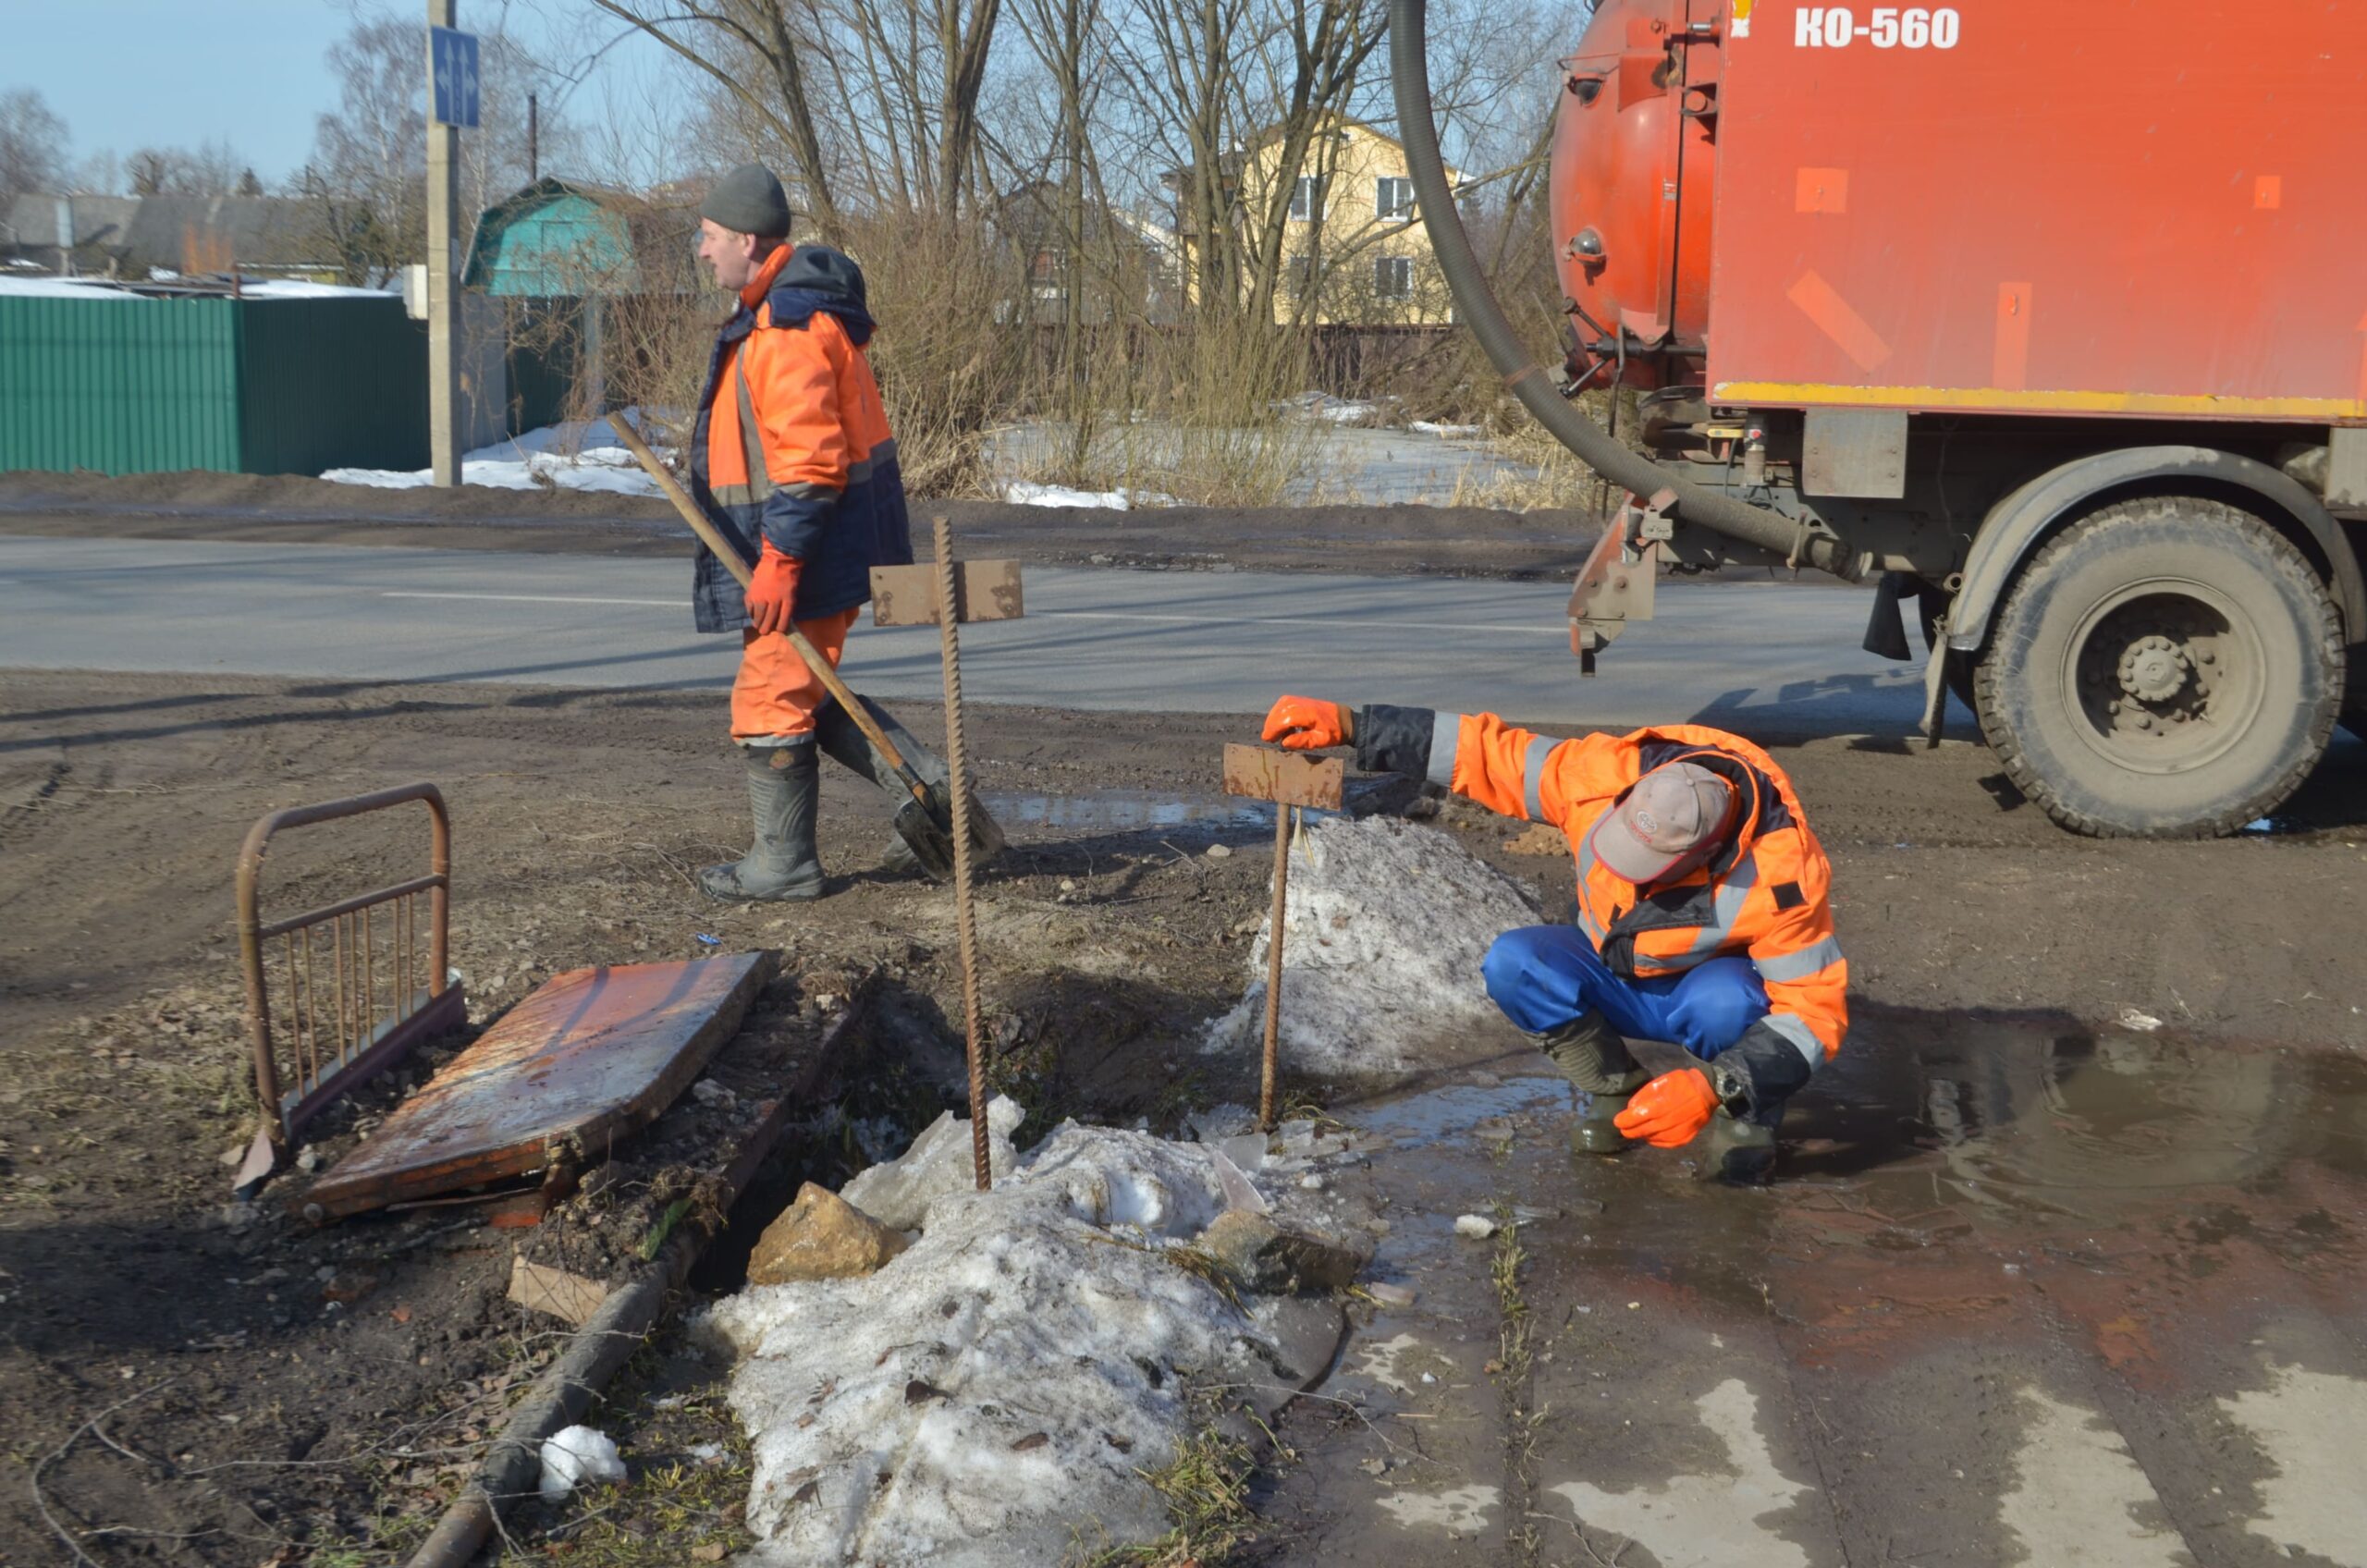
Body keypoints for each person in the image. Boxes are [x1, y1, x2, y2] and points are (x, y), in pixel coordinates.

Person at [1261, 694, 1846, 1181]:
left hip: (1703, 995)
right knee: (1515, 962)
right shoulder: (1602, 776)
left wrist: (1717, 1085)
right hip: (1611, 970)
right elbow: (1483, 752)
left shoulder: (1780, 872)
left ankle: (1746, 1117)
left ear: (1704, 853)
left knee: (1731, 1005)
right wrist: (1354, 725)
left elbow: (1813, 1014)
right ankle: (1615, 1088)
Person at [684, 164, 986, 899]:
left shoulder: (785, 329)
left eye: (712, 235)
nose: (701, 248)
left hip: (806, 543)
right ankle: (940, 802)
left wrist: (781, 561)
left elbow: (810, 463)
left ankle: (784, 865)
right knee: (805, 686)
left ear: (749, 241)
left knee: (772, 697)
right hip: (809, 539)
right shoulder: (781, 314)